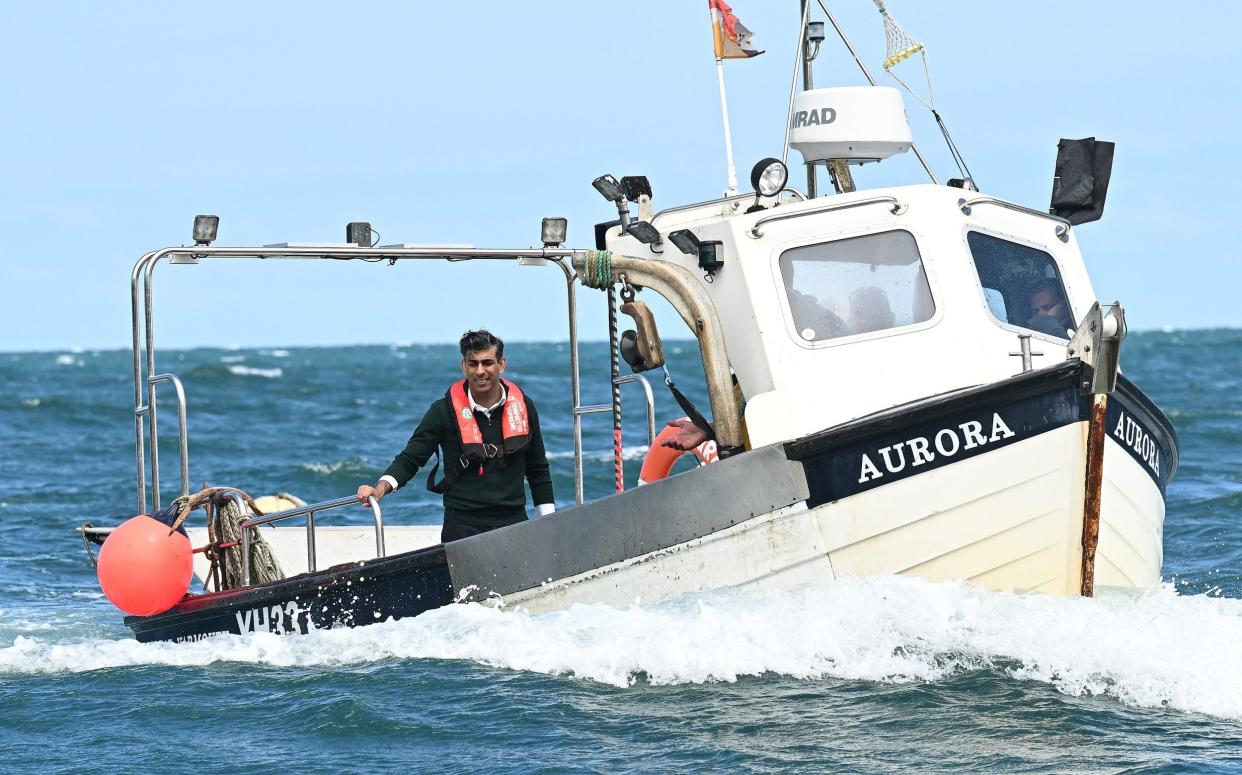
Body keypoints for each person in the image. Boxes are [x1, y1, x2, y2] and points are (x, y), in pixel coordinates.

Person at [356, 330, 554, 543]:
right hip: (461, 526)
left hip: (514, 522)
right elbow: (410, 458)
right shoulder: (442, 411)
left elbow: (538, 469)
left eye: (487, 363)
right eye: (473, 364)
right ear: (463, 366)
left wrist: (550, 525)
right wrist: (380, 488)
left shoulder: (525, 407)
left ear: (501, 364)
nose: (480, 371)